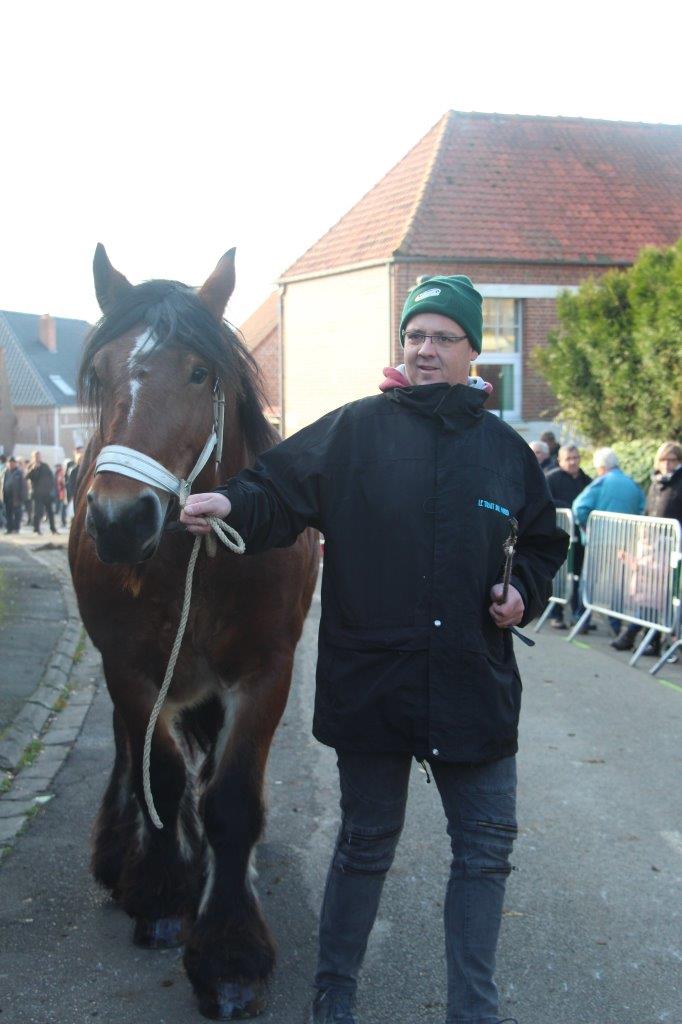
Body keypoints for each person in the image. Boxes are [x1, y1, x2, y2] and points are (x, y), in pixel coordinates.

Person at [180, 275, 568, 1024]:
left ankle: (474, 1010)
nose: (424, 349)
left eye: (441, 337)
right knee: (364, 845)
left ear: (470, 351)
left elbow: (545, 543)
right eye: (414, 336)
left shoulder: (505, 452)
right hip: (374, 679)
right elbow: (277, 490)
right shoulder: (355, 429)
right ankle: (335, 996)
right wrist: (230, 503)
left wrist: (525, 588)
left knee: (486, 850)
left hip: (472, 683)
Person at [611, 442, 682, 655]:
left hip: (674, 546)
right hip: (654, 547)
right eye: (664, 460)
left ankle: (636, 635)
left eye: (672, 460)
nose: (667, 464)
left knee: (666, 597)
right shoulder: (655, 483)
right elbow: (650, 511)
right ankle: (651, 641)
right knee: (652, 593)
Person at [572, 447, 645, 635]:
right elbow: (642, 509)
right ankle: (615, 625)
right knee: (618, 585)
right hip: (625, 543)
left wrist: (587, 528)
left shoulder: (601, 482)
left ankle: (582, 619)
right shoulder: (632, 484)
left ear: (601, 467)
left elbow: (579, 507)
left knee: (590, 582)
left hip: (601, 541)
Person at [545, 445, 592, 629]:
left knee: (578, 576)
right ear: (560, 460)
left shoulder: (586, 479)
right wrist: (568, 508)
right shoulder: (551, 478)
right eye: (568, 458)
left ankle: (577, 615)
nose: (573, 461)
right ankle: (556, 614)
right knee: (559, 576)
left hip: (580, 539)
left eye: (576, 457)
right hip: (559, 536)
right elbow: (544, 500)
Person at [26, 450, 57, 535]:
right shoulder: (31, 466)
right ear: (33, 457)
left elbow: (51, 477)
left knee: (50, 512)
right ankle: (36, 529)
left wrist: (50, 487)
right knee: (38, 512)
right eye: (36, 456)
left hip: (46, 493)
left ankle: (53, 529)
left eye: (38, 456)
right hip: (37, 494)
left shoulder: (45, 466)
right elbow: (27, 477)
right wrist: (33, 469)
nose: (37, 457)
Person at [2, 456, 24, 533]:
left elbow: (23, 485)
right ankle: (9, 529)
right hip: (7, 495)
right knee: (8, 513)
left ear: (15, 463)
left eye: (12, 463)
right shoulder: (5, 472)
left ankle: (16, 528)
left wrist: (21, 497)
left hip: (16, 496)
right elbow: (3, 483)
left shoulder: (19, 472)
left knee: (17, 514)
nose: (11, 464)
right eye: (10, 463)